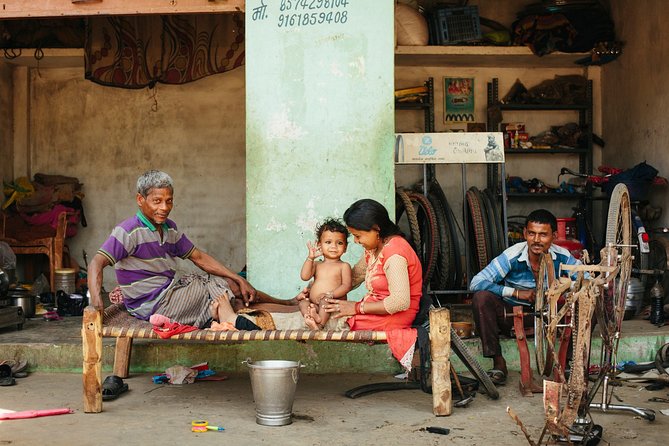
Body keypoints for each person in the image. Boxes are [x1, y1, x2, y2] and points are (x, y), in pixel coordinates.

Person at [87, 170, 293, 331]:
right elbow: (97, 262)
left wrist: (238, 278)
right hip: (156, 305)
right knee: (226, 288)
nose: (164, 207)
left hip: (173, 295)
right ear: (140, 200)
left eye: (169, 201)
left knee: (236, 297)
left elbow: (199, 257)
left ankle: (290, 306)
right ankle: (278, 305)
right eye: (157, 201)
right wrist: (96, 302)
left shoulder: (169, 228)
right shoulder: (128, 231)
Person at [469, 209, 581, 385]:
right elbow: (476, 282)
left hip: (551, 318)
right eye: (531, 234)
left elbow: (587, 281)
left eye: (543, 235)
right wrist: (515, 293)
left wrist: (565, 287)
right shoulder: (512, 256)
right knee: (481, 298)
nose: (536, 240)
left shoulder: (563, 257)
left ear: (554, 236)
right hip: (513, 316)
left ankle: (567, 363)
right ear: (524, 233)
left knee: (586, 301)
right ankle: (498, 363)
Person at [318, 198, 424, 370]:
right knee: (323, 311)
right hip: (375, 311)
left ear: (377, 229)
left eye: (358, 236)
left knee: (330, 320)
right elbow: (353, 277)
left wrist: (356, 308)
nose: (355, 241)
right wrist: (319, 290)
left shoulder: (395, 254)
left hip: (395, 316)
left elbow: (400, 302)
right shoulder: (375, 248)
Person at [297, 218, 352, 330]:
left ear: (345, 247)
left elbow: (346, 286)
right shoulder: (317, 264)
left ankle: (319, 325)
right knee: (302, 302)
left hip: (331, 302)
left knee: (325, 301)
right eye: (328, 242)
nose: (333, 246)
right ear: (319, 245)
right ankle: (311, 317)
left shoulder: (344, 266)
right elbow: (304, 276)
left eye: (339, 243)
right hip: (314, 303)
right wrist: (310, 258)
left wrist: (330, 294)